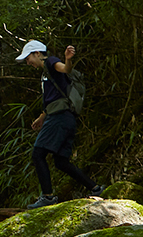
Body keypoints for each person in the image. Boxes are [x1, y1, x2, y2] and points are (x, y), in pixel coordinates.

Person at [15, 39, 104, 209]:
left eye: (28, 58)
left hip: (60, 117)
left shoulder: (50, 61)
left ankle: (47, 197)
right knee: (61, 162)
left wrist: (68, 59)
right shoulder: (45, 74)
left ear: (37, 53)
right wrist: (42, 117)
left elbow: (65, 69)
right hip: (64, 117)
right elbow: (54, 97)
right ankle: (95, 188)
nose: (28, 63)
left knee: (38, 154)